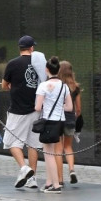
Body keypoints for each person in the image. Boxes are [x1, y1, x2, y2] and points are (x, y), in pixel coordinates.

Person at [2, 35, 44, 189]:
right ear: (31, 48)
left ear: (19, 48)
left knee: (11, 141)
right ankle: (32, 179)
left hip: (18, 109)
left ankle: (24, 167)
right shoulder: (38, 64)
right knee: (33, 144)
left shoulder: (13, 64)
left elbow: (4, 85)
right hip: (35, 108)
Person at [35, 57, 73, 193]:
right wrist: (58, 107)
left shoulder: (43, 86)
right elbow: (69, 107)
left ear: (46, 70)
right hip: (60, 121)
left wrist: (47, 103)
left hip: (48, 121)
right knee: (50, 152)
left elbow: (38, 107)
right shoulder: (64, 86)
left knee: (49, 153)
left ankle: (56, 185)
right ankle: (49, 182)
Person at [59, 60, 83, 184]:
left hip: (57, 119)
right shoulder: (75, 87)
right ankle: (72, 169)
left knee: (57, 149)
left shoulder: (57, 86)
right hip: (70, 120)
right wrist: (75, 117)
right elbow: (78, 108)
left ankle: (59, 179)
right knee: (68, 146)